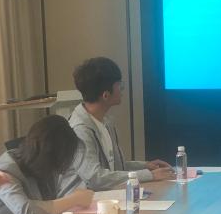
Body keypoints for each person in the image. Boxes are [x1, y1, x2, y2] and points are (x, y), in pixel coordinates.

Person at [68, 57, 174, 190]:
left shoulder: (105, 122)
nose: (122, 90)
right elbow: (95, 178)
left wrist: (145, 166)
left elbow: (115, 168)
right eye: (120, 85)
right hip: (84, 200)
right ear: (106, 95)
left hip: (104, 196)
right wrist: (149, 175)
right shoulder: (80, 130)